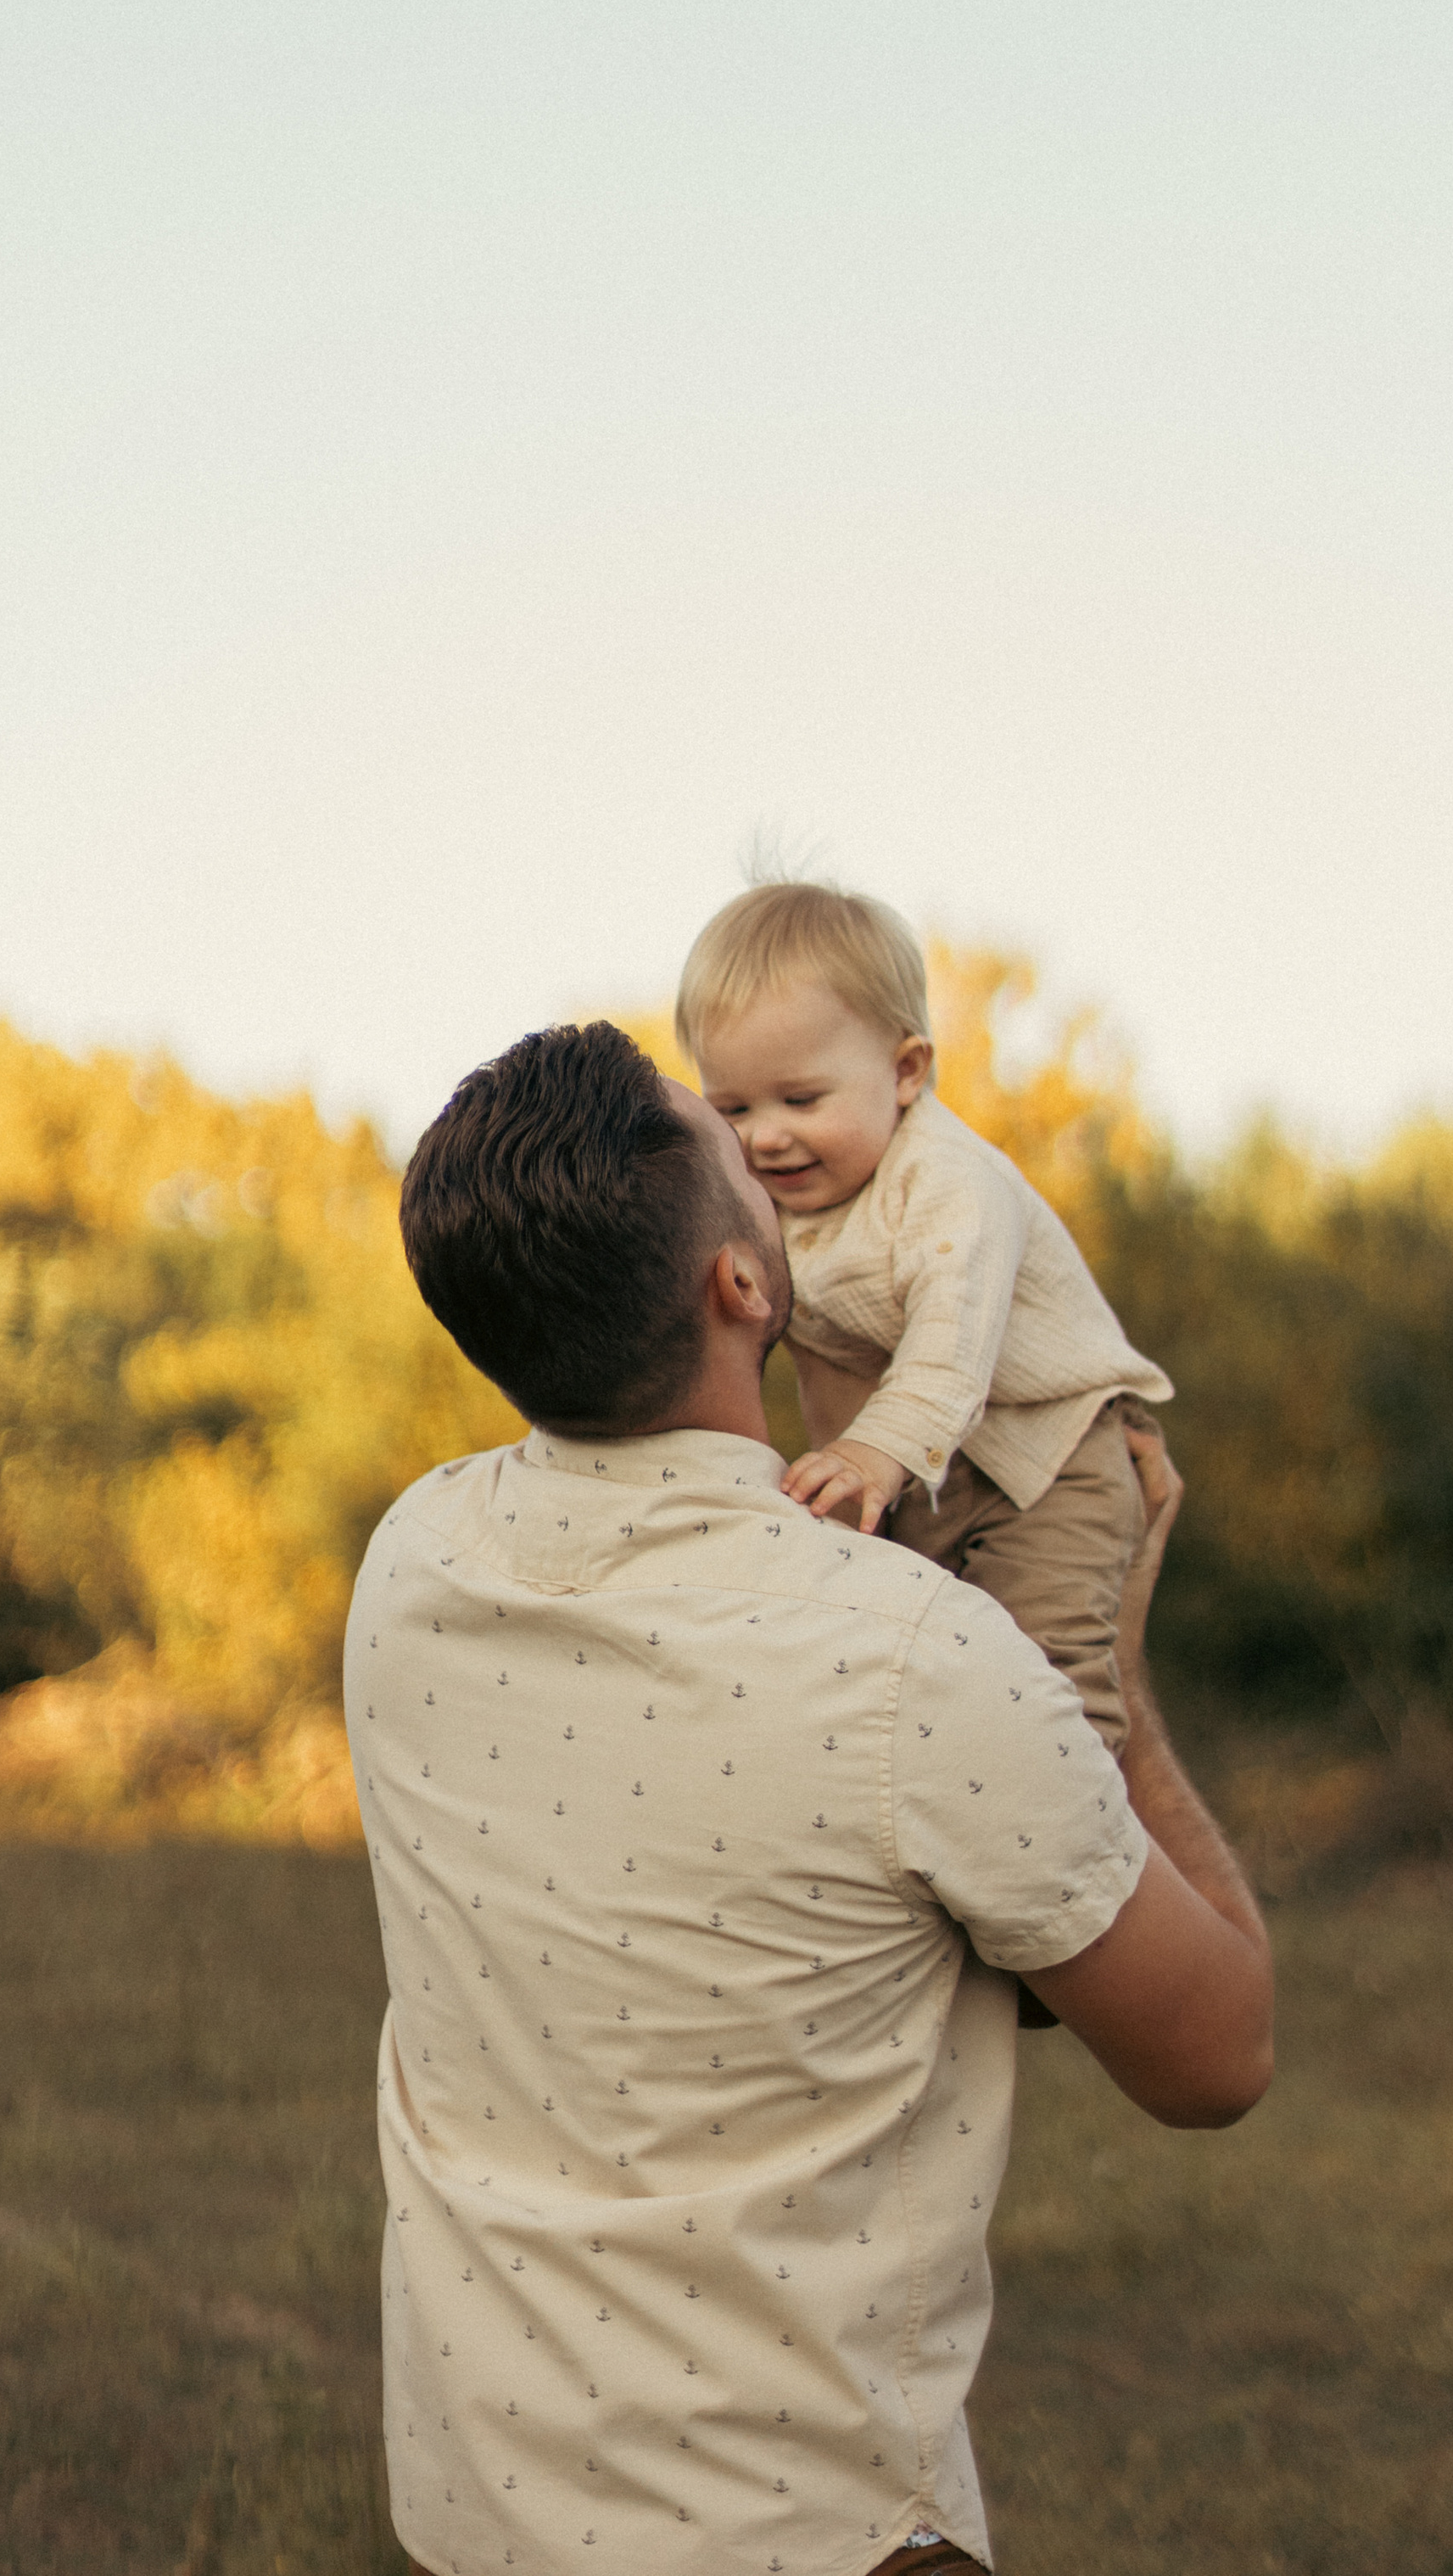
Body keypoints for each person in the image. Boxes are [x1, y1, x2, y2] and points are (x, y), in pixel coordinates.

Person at [353, 1019, 1271, 2576]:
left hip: (479, 2519)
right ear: (740, 1285)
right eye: (730, 1140)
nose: (775, 1156)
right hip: (804, 2538)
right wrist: (1103, 1668)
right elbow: (1219, 2054)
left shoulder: (413, 1564)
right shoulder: (917, 1661)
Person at [677, 882, 1172, 1752]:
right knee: (910, 1680)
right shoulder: (769, 1204)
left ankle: (1077, 1818)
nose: (764, 1138)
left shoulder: (948, 1185)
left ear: (905, 1072)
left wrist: (870, 1455)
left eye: (800, 1100)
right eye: (733, 1110)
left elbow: (951, 1347)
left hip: (1051, 1455)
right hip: (913, 1474)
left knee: (1045, 1669)